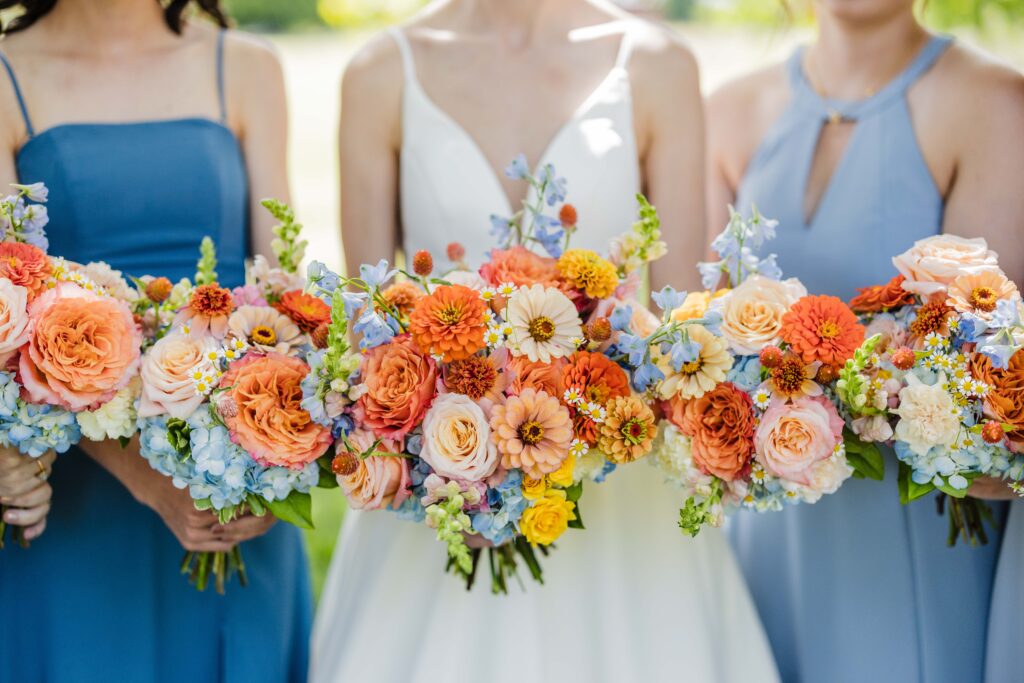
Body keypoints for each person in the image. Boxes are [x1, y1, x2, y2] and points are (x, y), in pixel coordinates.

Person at [311, 1, 779, 681]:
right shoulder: (381, 73)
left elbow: (682, 332)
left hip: (619, 504)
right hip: (441, 491)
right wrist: (449, 465)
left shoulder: (657, 67)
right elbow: (366, 338)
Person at [706, 0, 1024, 681]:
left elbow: (983, 373)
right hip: (762, 546)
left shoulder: (993, 106)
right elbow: (694, 355)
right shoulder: (726, 113)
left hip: (918, 546)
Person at [0, 1, 311, 680]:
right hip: (78, 498)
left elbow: (285, 302)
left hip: (238, 492)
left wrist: (261, 460)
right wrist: (147, 477)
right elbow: (11, 306)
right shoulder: (4, 76)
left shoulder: (247, 67)